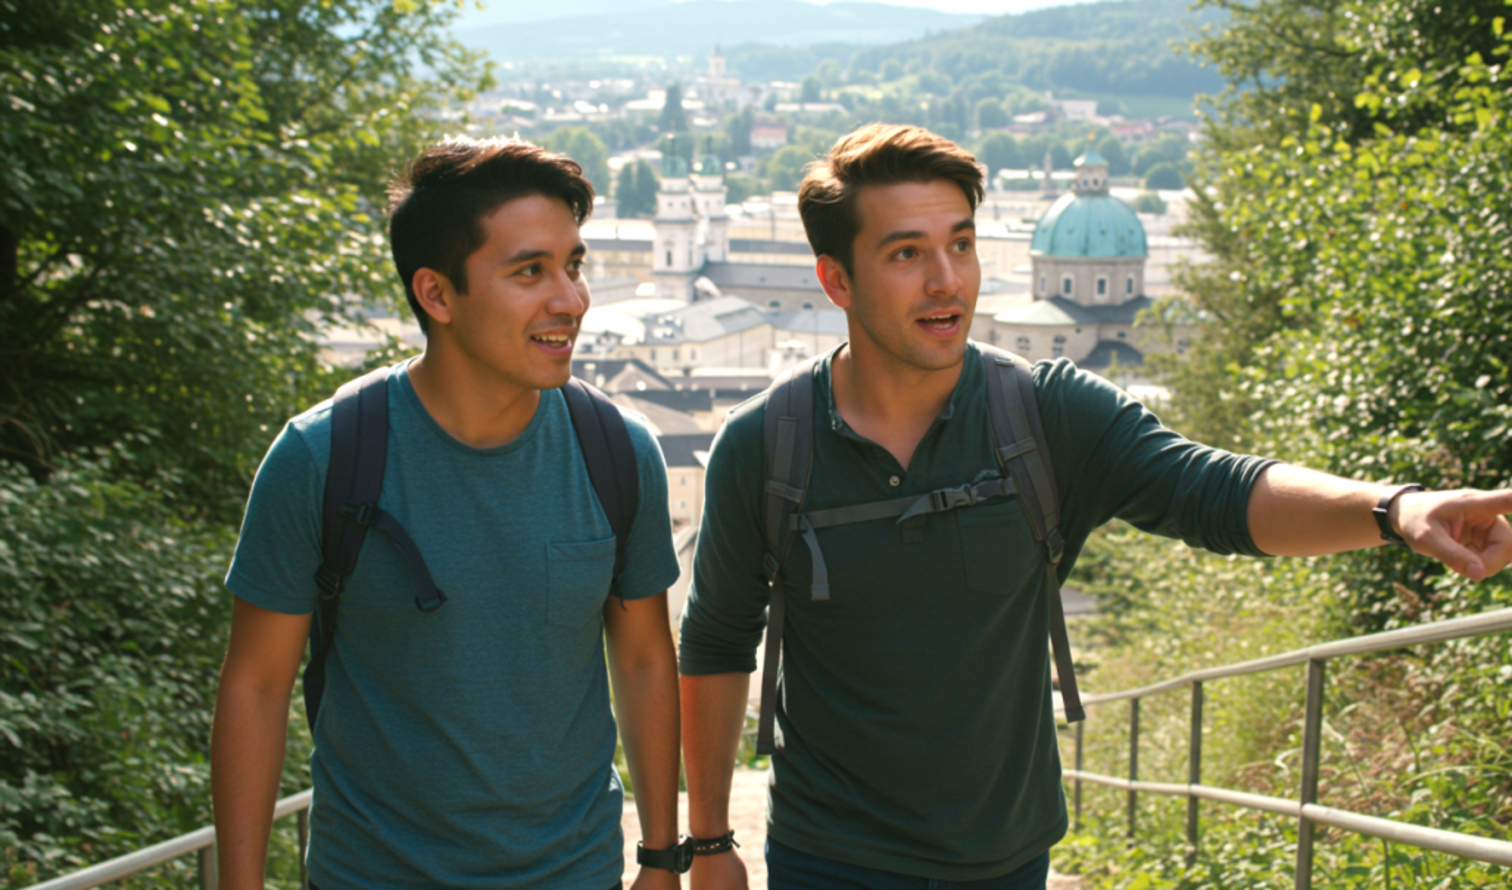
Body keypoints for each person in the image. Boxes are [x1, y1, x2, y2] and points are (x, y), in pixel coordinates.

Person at [677, 124, 1512, 890]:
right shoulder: (769, 443)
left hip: (1004, 858)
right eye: (906, 254)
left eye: (961, 245)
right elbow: (716, 640)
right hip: (831, 859)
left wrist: (1392, 508)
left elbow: (1212, 489)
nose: (947, 280)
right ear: (836, 280)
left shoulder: (1047, 412)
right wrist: (709, 842)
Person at [211, 137, 685, 890]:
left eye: (574, 265)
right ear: (436, 295)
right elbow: (256, 689)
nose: (571, 299)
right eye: (531, 271)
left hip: (574, 873)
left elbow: (643, 658)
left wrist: (663, 858)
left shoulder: (617, 454)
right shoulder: (321, 458)